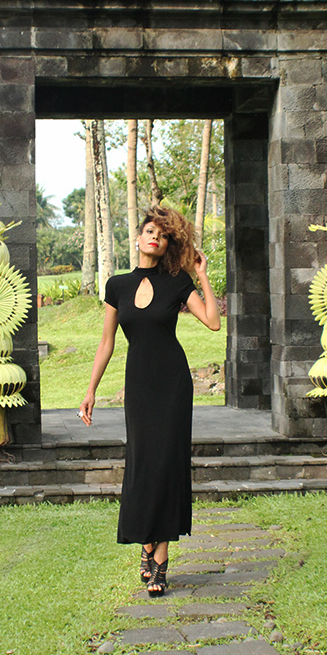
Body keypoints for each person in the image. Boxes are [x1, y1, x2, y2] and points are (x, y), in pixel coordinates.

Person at [78, 206, 221, 595]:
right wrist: (91, 390)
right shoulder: (117, 285)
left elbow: (212, 321)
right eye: (148, 231)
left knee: (168, 464)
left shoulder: (177, 283)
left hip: (173, 384)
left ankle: (159, 559)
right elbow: (107, 342)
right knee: (143, 464)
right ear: (138, 239)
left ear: (166, 244)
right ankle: (146, 543)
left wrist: (201, 275)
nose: (154, 237)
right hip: (139, 385)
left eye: (161, 234)